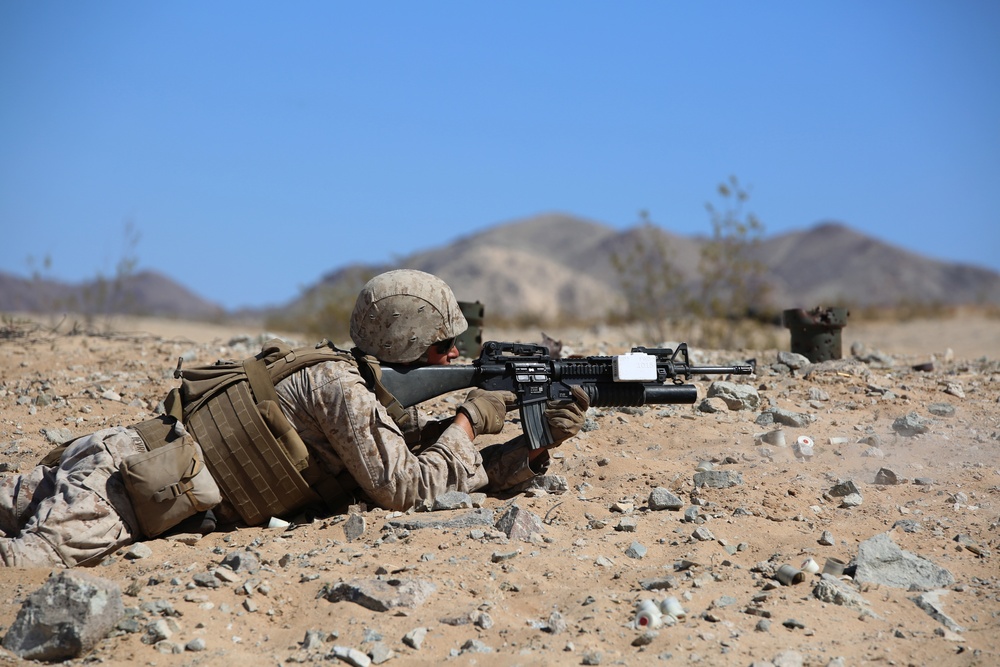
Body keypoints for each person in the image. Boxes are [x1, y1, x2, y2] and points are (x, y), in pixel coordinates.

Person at [0, 269, 589, 568]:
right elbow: (407, 489)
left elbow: (424, 468)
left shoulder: (360, 386)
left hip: (113, 462)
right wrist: (469, 418)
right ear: (408, 345)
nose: (456, 358)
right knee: (21, 565)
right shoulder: (339, 387)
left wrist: (527, 451)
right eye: (443, 349)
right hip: (115, 494)